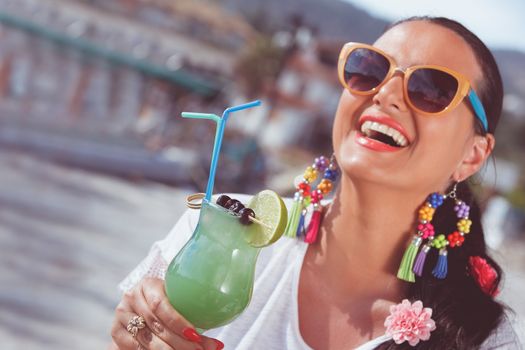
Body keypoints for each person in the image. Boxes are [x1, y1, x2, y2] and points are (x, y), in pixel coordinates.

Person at [109, 16, 523, 349]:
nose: (386, 93)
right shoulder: (218, 227)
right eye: (370, 69)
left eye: (431, 89)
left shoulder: (480, 340)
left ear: (472, 155)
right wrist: (131, 340)